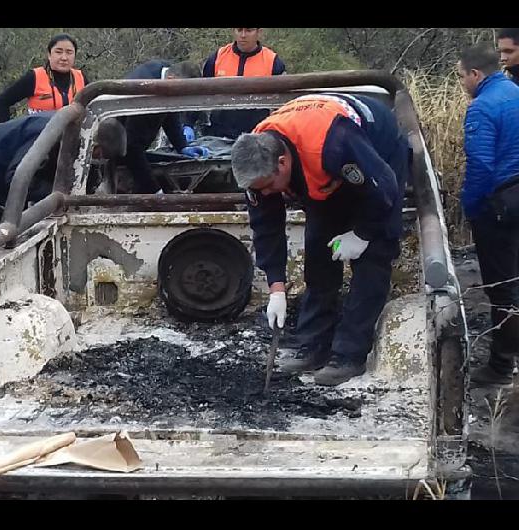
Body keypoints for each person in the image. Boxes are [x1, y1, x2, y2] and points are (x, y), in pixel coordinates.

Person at [231, 92, 412, 386]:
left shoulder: (334, 144)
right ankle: (313, 345)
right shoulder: (254, 160)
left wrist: (362, 234)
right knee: (319, 250)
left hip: (377, 158)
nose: (265, 195)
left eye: (269, 187)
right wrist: (276, 286)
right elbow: (266, 226)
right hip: (320, 172)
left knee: (373, 259)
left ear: (282, 163)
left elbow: (385, 189)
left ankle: (349, 355)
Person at [0, 113, 127, 242]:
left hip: (8, 184)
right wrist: (60, 195)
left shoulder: (78, 136)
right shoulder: (50, 135)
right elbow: (16, 177)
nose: (98, 160)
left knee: (12, 239)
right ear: (93, 143)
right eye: (100, 155)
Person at [457, 44, 519, 387]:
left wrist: (472, 208)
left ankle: (500, 367)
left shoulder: (482, 107)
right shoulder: (515, 92)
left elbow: (480, 167)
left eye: (462, 76)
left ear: (476, 74)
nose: (462, 82)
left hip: (502, 205)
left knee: (503, 288)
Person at [119, 60, 208, 194]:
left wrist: (181, 145)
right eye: (183, 93)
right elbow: (132, 147)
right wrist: (154, 190)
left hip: (136, 145)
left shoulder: (167, 73)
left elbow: (169, 112)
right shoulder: (144, 92)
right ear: (171, 79)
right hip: (119, 147)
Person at [202, 28, 286, 139]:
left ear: (259, 32)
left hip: (257, 136)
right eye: (239, 30)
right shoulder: (217, 58)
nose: (243, 35)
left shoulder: (273, 61)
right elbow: (201, 96)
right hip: (218, 136)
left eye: (248, 30)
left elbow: (282, 105)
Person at [0, 34, 88, 122]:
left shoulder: (81, 78)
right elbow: (1, 102)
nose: (64, 57)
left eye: (69, 52)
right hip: (39, 135)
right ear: (49, 55)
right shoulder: (35, 77)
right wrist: (7, 134)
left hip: (74, 136)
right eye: (58, 52)